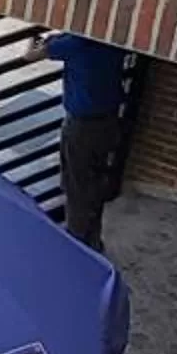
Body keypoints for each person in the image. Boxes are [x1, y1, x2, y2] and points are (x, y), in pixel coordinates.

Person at [42, 32, 128, 250]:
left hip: (81, 125)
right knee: (95, 181)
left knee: (76, 186)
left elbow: (31, 55)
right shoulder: (113, 39)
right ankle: (93, 240)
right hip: (109, 120)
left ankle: (77, 247)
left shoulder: (75, 43)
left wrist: (41, 38)